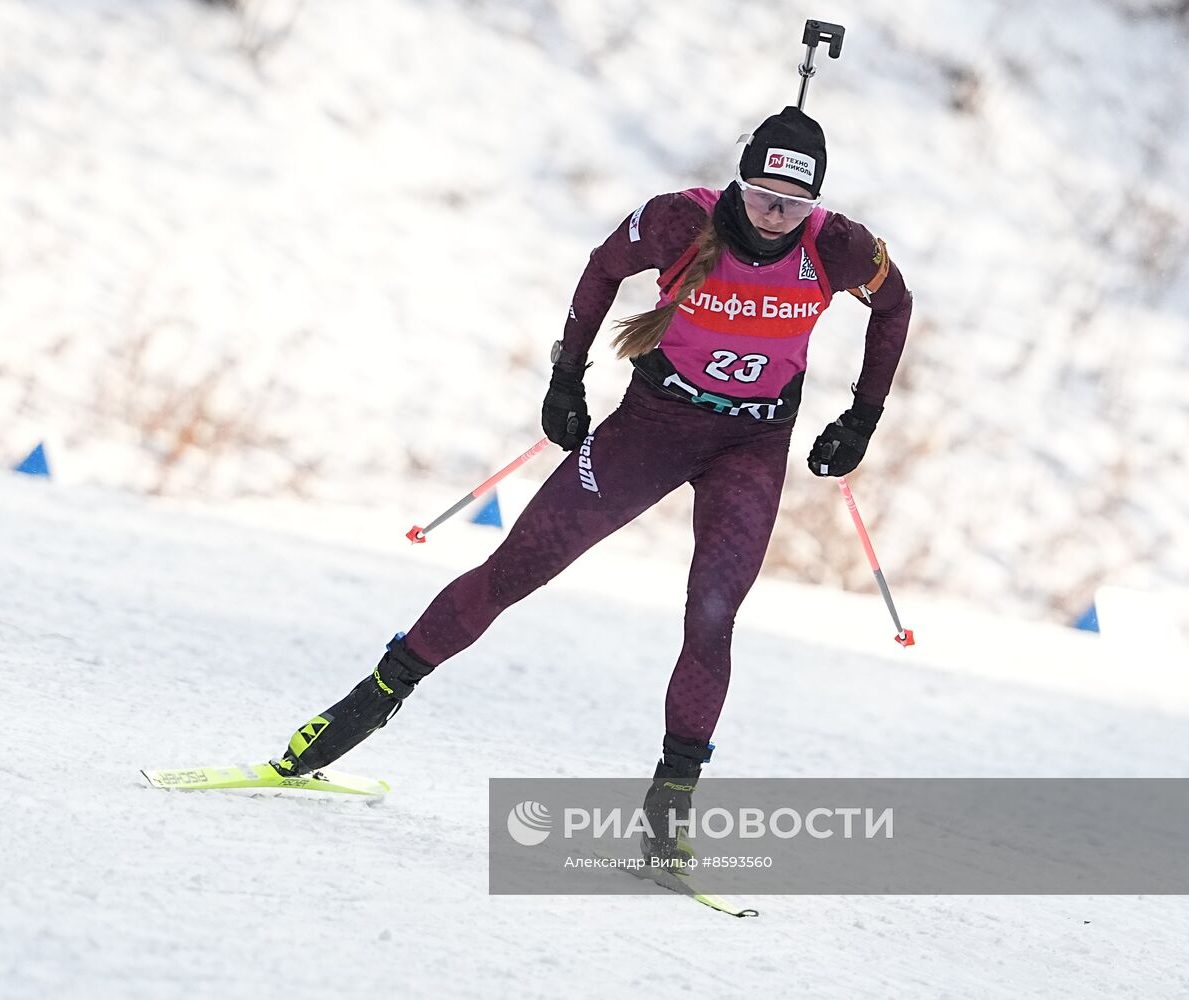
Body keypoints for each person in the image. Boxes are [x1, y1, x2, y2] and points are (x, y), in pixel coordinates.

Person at [271, 106, 912, 869]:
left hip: (752, 444)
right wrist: (565, 377)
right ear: (737, 183)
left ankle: (666, 817)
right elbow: (603, 267)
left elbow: (894, 306)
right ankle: (363, 705)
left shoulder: (837, 247)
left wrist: (861, 418)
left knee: (711, 619)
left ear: (815, 205)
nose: (775, 215)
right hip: (651, 427)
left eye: (793, 204)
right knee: (514, 570)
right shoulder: (678, 222)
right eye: (763, 194)